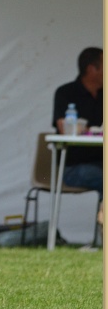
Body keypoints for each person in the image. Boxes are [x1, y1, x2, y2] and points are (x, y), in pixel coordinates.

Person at [52, 46, 103, 228]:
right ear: (92, 69)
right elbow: (63, 127)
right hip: (73, 167)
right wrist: (90, 130)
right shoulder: (65, 93)